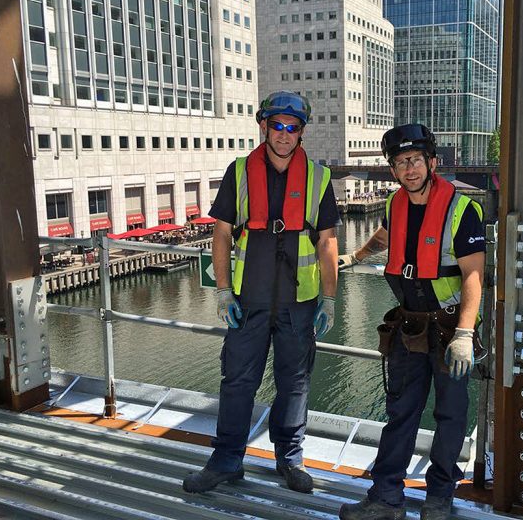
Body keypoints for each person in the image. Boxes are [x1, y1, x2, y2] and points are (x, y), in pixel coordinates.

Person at [183, 91, 340, 495]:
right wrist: (222, 292)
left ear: (302, 132)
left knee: (295, 383)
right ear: (263, 126)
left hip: (299, 304)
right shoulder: (239, 172)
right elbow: (220, 235)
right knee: (236, 381)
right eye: (277, 126)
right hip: (247, 300)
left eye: (293, 128)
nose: (285, 134)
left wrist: (330, 297)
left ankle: (289, 459)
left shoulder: (319, 178)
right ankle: (226, 460)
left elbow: (326, 242)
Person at [338, 124, 487, 520]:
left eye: (416, 160)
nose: (410, 168)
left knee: (451, 414)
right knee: (401, 412)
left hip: (451, 327)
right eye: (401, 162)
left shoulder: (462, 210)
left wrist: (465, 335)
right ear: (393, 170)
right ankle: (386, 498)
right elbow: (385, 238)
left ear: (432, 163)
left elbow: (474, 275)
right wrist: (356, 256)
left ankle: (440, 495)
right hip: (410, 326)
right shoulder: (394, 204)